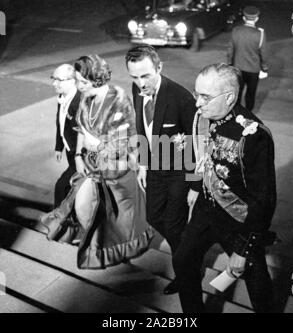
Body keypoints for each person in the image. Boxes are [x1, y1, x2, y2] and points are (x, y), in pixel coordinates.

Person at [173, 63, 277, 313]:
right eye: (197, 93)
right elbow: (196, 153)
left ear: (229, 97)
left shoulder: (253, 134)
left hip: (240, 222)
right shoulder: (202, 116)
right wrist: (195, 186)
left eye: (205, 97)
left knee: (256, 281)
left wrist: (243, 249)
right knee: (183, 260)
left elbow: (264, 200)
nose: (197, 102)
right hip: (206, 210)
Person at [41, 54, 154, 269]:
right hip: (92, 166)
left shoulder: (118, 100)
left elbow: (123, 142)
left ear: (97, 80)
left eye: (83, 82)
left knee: (118, 221)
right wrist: (77, 155)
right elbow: (81, 130)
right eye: (78, 81)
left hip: (116, 171)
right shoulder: (86, 97)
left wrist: (96, 145)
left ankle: (117, 253)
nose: (79, 86)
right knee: (85, 208)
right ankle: (96, 246)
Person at [125, 45, 197, 294]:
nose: (140, 83)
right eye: (134, 76)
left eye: (145, 75)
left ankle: (186, 274)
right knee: (154, 217)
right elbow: (142, 128)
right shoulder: (137, 89)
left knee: (174, 226)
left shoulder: (181, 97)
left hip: (179, 171)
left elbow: (198, 140)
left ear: (159, 67)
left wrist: (195, 184)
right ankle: (188, 247)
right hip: (154, 168)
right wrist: (143, 164)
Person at [227, 6, 268, 112]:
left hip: (238, 67)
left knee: (238, 92)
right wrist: (264, 67)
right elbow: (263, 53)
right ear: (257, 18)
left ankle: (236, 112)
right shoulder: (260, 34)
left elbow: (230, 50)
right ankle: (248, 113)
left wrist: (230, 64)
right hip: (253, 70)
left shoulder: (236, 31)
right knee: (251, 93)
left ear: (244, 18)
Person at [52, 64, 81, 208]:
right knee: (71, 187)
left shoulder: (78, 102)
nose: (54, 83)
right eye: (53, 78)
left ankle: (58, 220)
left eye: (59, 80)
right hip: (71, 152)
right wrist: (59, 147)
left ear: (72, 81)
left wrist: (79, 157)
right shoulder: (62, 98)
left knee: (61, 187)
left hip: (80, 155)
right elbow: (60, 124)